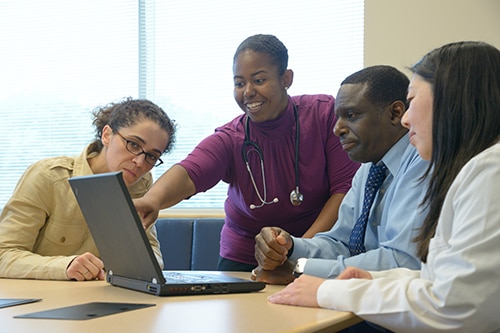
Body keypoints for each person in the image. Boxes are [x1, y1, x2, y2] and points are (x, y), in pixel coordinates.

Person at [267, 41, 500, 333]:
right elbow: (435, 279)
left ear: (451, 100)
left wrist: (325, 289)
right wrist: (368, 280)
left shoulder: (490, 170)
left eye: (413, 101)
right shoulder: (473, 169)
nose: (406, 119)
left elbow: (457, 305)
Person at [134, 34, 359, 272]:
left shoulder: (323, 115)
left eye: (259, 80)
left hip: (314, 250)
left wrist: (299, 248)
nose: (248, 91)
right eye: (239, 83)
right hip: (243, 258)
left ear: (286, 78)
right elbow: (191, 171)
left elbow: (344, 190)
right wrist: (152, 200)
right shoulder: (231, 137)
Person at [253, 65, 430, 284]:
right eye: (338, 117)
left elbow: (401, 260)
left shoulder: (422, 161)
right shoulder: (370, 169)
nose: (337, 129)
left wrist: (301, 269)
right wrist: (289, 246)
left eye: (351, 115)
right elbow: (342, 243)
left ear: (395, 113)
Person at [0, 98, 176, 281]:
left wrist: (136, 263)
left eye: (151, 156)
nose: (139, 162)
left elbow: (153, 255)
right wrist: (65, 266)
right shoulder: (48, 177)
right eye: (133, 144)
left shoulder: (142, 186)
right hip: (42, 300)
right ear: (107, 135)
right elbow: (3, 255)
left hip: (105, 299)